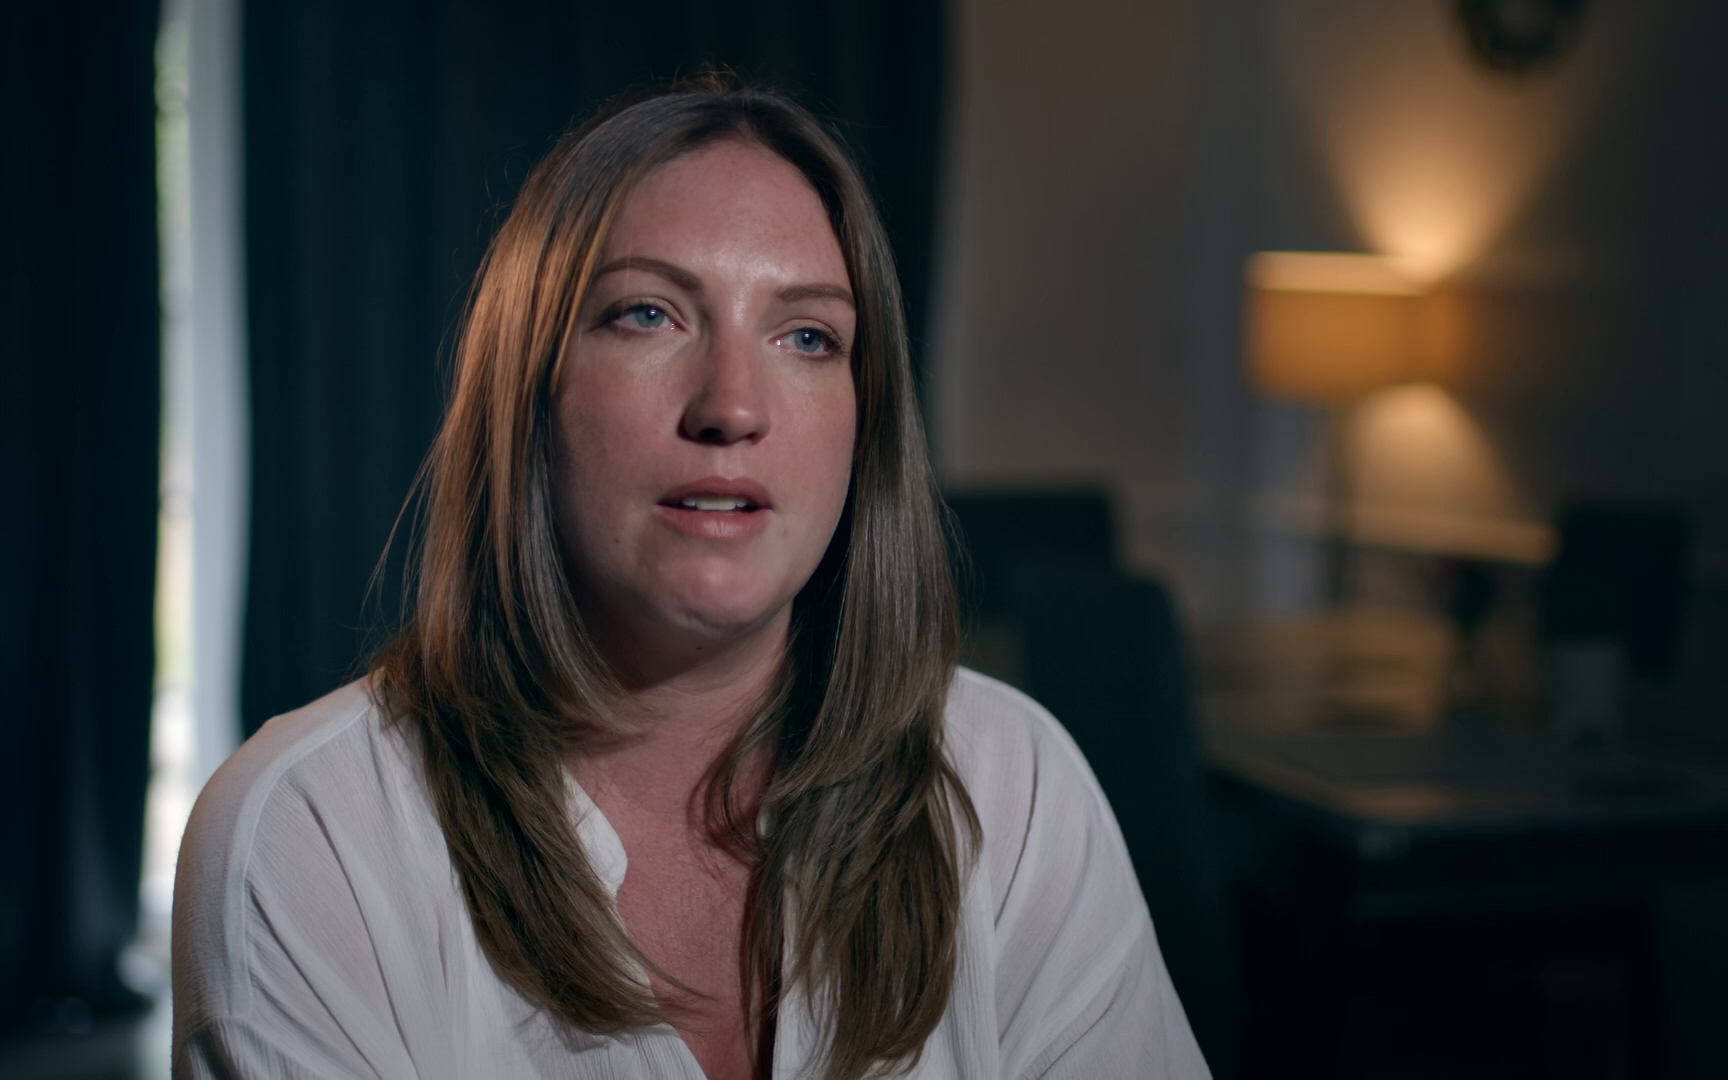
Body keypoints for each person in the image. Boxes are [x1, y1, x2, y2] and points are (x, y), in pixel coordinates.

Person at [171, 80, 1209, 1080]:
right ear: (529, 388)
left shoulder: (1011, 785)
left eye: (807, 336)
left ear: (867, 424)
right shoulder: (310, 832)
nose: (733, 407)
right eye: (648, 315)